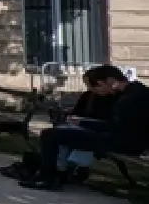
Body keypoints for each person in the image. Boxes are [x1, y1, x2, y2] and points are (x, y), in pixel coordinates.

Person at [16, 65, 149, 190]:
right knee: (60, 132)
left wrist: (83, 123)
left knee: (51, 135)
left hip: (124, 142)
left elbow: (114, 127)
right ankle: (54, 173)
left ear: (110, 81)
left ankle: (48, 177)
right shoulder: (135, 91)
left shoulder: (129, 98)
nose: (96, 91)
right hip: (125, 139)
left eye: (98, 87)